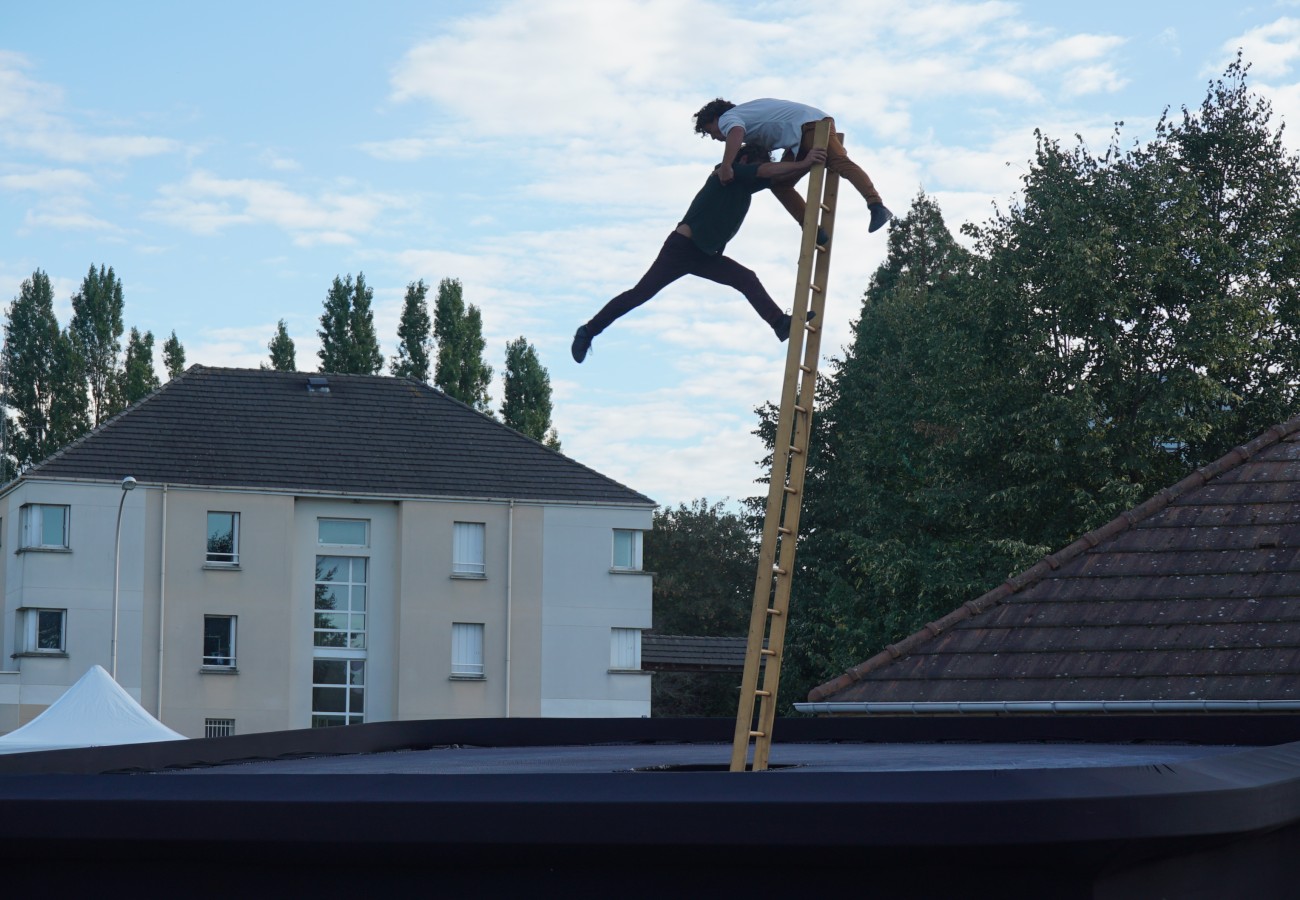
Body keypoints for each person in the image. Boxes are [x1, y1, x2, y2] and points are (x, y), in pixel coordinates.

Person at [570, 145, 825, 364]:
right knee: (639, 294)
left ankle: (780, 324)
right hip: (680, 249)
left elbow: (780, 175)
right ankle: (588, 331)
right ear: (745, 160)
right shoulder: (727, 172)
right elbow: (765, 171)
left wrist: (806, 159)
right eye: (757, 165)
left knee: (746, 278)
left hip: (705, 255)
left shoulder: (746, 186)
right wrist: (804, 160)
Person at [694, 97, 893, 234]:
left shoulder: (730, 118)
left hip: (811, 125)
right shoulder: (750, 123)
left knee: (840, 162)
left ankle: (876, 206)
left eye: (709, 130)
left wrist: (727, 166)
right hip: (798, 138)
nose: (713, 136)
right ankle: (811, 229)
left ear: (716, 118)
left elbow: (734, 134)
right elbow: (759, 162)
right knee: (778, 183)